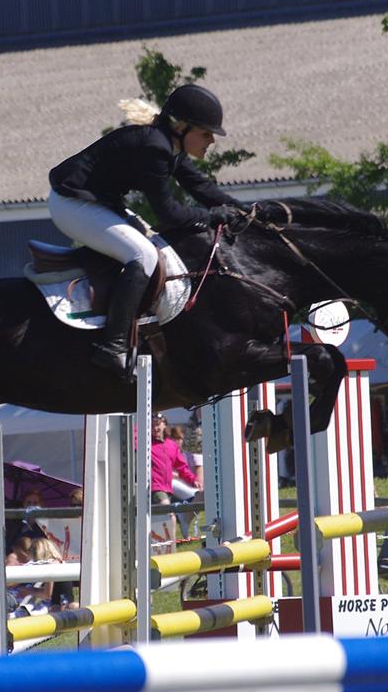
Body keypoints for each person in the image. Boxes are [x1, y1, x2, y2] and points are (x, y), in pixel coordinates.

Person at [47, 83, 246, 380]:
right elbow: (170, 213)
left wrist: (243, 211)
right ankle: (112, 346)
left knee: (158, 250)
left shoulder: (168, 145)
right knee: (143, 255)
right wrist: (213, 216)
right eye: (205, 133)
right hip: (71, 204)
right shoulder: (155, 147)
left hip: (98, 203)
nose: (211, 141)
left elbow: (200, 187)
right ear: (182, 126)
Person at [152, 413, 199, 507]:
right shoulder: (145, 443)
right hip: (155, 488)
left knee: (161, 519)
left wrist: (193, 480)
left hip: (167, 489)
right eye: (151, 426)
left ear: (164, 425)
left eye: (157, 424)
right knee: (169, 514)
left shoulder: (172, 445)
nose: (155, 428)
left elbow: (182, 467)